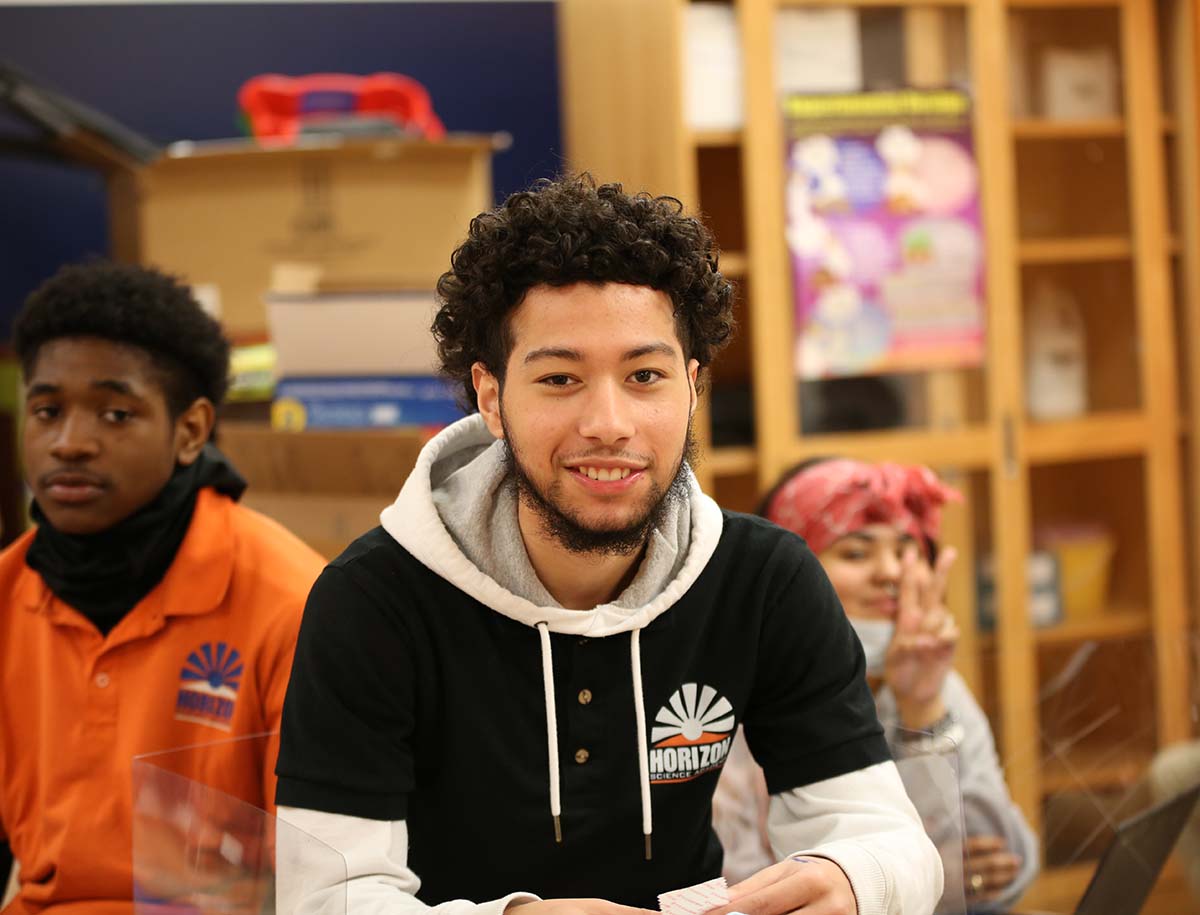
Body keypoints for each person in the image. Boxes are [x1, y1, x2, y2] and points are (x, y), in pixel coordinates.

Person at [275, 175, 942, 915]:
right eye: (560, 377)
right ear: (492, 397)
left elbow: (892, 838)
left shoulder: (762, 580)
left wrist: (855, 877)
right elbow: (324, 898)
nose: (609, 422)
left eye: (645, 375)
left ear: (691, 388)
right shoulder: (373, 601)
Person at [0, 261, 326, 915]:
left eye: (115, 413)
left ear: (191, 430)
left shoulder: (291, 600)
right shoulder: (9, 589)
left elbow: (313, 876)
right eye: (47, 410)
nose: (70, 443)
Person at [712, 458, 1039, 912]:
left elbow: (1002, 865)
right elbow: (736, 886)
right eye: (856, 553)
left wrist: (922, 705)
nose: (891, 573)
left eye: (907, 551)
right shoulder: (731, 701)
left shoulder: (941, 685)